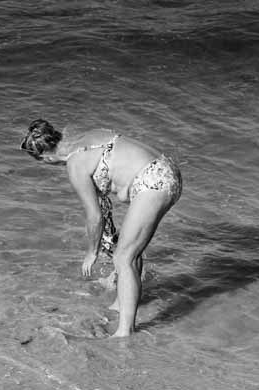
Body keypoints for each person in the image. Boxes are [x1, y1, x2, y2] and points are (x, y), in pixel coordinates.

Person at [20, 119, 182, 337]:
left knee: (124, 258)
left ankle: (125, 332)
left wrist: (92, 252)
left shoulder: (75, 164)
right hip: (166, 169)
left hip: (152, 181)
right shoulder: (90, 135)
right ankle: (120, 302)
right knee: (130, 249)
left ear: (44, 157)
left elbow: (94, 216)